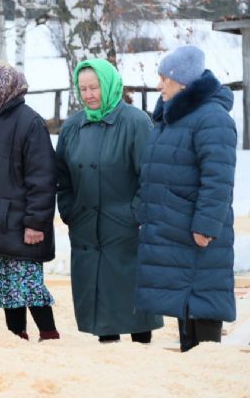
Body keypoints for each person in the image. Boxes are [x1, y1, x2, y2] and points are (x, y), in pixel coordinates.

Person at [135, 46, 236, 352]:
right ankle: (191, 359)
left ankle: (208, 368)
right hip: (173, 228)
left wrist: (206, 226)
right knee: (183, 299)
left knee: (204, 298)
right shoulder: (172, 118)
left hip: (196, 232)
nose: (158, 84)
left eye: (164, 78)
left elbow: (218, 179)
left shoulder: (212, 119)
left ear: (183, 82)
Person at [56, 58, 163, 343]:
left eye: (94, 87)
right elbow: (61, 177)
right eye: (83, 89)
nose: (89, 95)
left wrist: (136, 214)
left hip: (126, 229)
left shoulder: (136, 122)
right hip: (86, 228)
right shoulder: (73, 127)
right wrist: (70, 211)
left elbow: (152, 177)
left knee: (133, 306)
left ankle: (143, 360)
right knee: (100, 309)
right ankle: (108, 368)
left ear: (109, 85)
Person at [0, 59, 60, 341]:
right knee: (9, 291)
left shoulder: (29, 123)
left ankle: (49, 335)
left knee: (28, 287)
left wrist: (35, 223)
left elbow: (42, 179)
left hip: (22, 226)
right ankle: (16, 339)